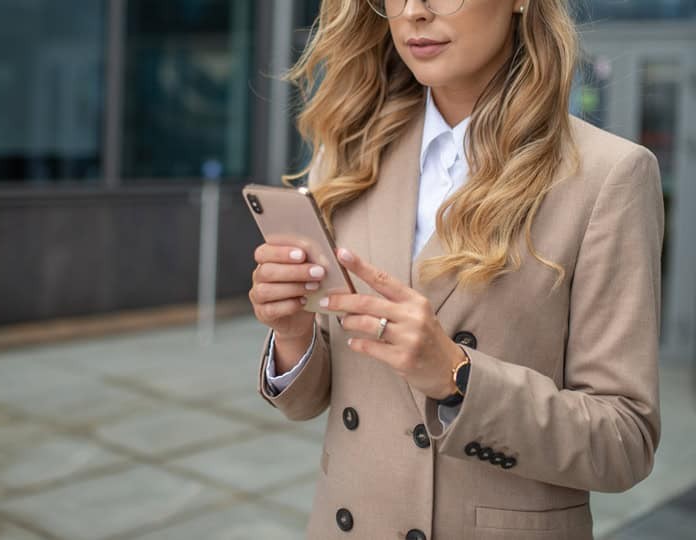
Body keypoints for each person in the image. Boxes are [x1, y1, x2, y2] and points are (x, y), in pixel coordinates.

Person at [248, 1, 664, 538]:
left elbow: (624, 443)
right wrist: (292, 333)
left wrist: (457, 377)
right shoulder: (350, 153)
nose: (416, 12)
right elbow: (318, 401)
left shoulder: (609, 175)